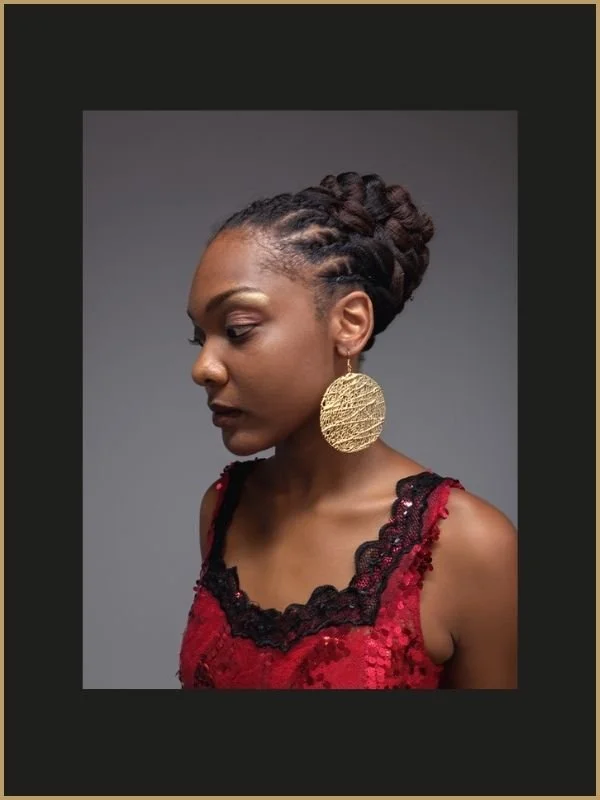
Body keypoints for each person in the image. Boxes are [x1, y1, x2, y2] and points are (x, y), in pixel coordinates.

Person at [178, 171, 517, 689]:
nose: (203, 367)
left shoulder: (467, 545)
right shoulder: (223, 509)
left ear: (350, 323)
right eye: (199, 338)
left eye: (237, 329)